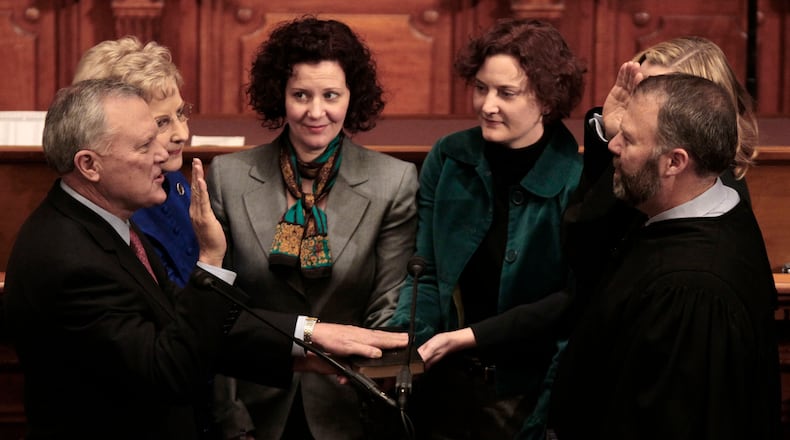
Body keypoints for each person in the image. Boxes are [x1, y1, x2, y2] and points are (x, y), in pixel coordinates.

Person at [1, 78, 407, 440]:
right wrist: (211, 258)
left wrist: (308, 341)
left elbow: (184, 329)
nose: (164, 151)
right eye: (145, 145)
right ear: (89, 165)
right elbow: (169, 371)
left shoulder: (105, 221)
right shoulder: (68, 258)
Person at [207, 16, 418, 440]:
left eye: (330, 95)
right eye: (300, 94)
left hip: (349, 406)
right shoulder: (228, 177)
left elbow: (388, 310)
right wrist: (230, 418)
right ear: (280, 97)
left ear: (351, 97)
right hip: (252, 408)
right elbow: (215, 310)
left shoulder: (393, 182)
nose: (315, 111)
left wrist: (367, 373)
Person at [550, 73, 781, 439]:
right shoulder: (703, 208)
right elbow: (589, 257)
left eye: (629, 138)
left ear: (674, 162)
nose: (614, 145)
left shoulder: (691, 290)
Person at [388, 18, 586, 440]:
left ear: (548, 100)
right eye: (481, 87)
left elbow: (570, 304)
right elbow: (426, 272)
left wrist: (471, 338)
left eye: (506, 93)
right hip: (445, 384)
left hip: (527, 395)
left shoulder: (577, 177)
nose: (486, 104)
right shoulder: (449, 157)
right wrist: (406, 351)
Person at [562, 36, 760, 330]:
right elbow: (585, 250)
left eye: (659, 89)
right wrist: (616, 137)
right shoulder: (644, 168)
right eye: (642, 88)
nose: (644, 100)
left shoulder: (708, 197)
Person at [72, 36, 198, 287]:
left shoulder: (174, 180)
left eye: (180, 113)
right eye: (161, 122)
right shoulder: (116, 208)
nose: (182, 134)